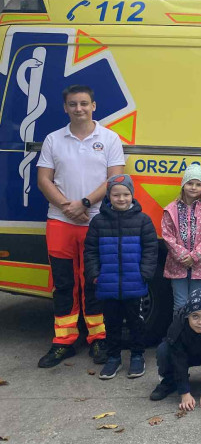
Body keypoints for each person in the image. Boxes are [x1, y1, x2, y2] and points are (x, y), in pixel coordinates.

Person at [36, 84, 125, 368]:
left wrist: (84, 203)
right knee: (64, 282)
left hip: (97, 221)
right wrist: (67, 207)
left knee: (94, 281)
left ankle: (97, 340)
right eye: (73, 104)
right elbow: (44, 180)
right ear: (65, 108)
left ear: (94, 106)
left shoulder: (109, 139)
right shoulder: (53, 139)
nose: (79, 108)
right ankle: (63, 341)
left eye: (84, 103)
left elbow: (114, 180)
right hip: (60, 221)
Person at [83, 174, 158, 380]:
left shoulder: (143, 221)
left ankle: (137, 356)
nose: (121, 199)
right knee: (112, 323)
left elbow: (151, 250)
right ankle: (113, 357)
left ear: (132, 195)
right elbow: (90, 251)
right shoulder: (98, 222)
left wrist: (145, 273)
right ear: (108, 197)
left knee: (136, 322)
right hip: (107, 284)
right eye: (116, 195)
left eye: (126, 194)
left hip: (135, 283)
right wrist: (95, 274)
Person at [149, 289, 201, 410]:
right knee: (163, 350)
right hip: (184, 355)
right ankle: (169, 380)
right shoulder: (177, 326)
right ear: (187, 315)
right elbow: (178, 360)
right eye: (195, 316)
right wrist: (184, 393)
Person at [162, 164, 201, 314]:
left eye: (198, 184)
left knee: (196, 304)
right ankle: (178, 337)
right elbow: (167, 235)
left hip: (200, 265)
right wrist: (183, 256)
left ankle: (193, 337)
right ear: (183, 185)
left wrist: (195, 256)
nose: (193, 187)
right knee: (180, 304)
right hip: (177, 264)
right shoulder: (171, 209)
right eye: (190, 183)